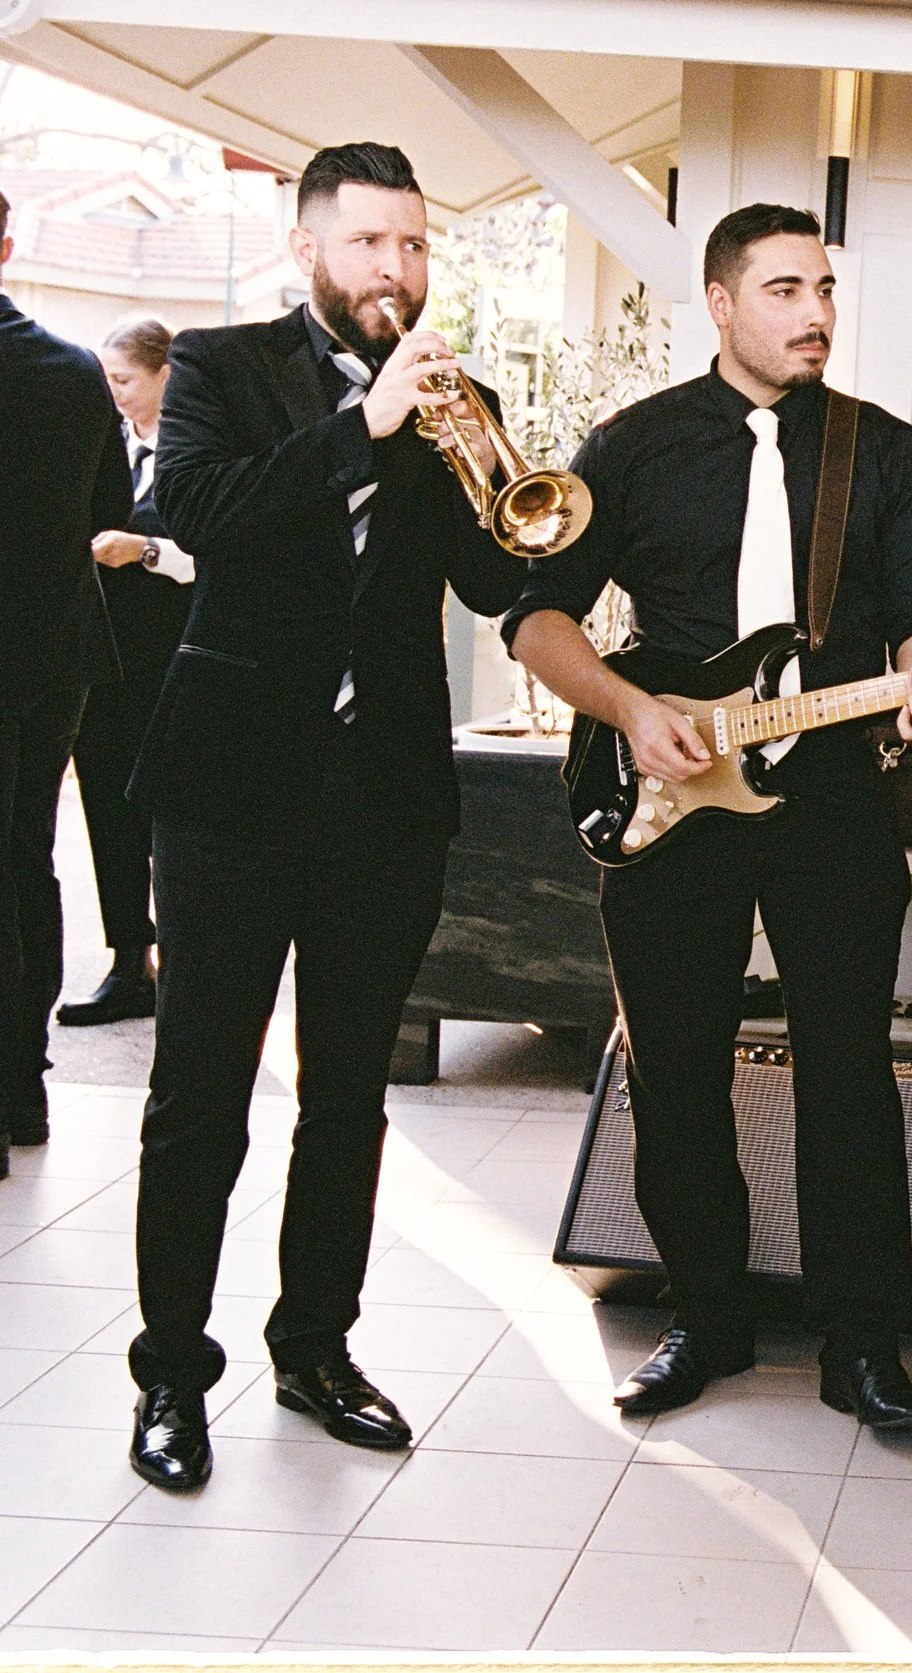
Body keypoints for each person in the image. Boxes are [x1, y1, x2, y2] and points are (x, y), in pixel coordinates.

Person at [508, 203, 912, 1434]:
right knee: (673, 1071)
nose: (814, 312)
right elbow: (538, 617)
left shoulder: (884, 453)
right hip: (667, 789)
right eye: (782, 290)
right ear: (720, 303)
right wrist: (627, 706)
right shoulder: (635, 445)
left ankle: (859, 1337)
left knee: (848, 1069)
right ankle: (704, 1316)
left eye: (821, 288)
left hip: (829, 792)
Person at [127, 143, 523, 1491]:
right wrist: (362, 427)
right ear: (310, 250)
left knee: (349, 1097)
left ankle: (316, 1346)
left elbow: (487, 577)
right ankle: (172, 1375)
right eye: (371, 246)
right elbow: (200, 512)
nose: (397, 273)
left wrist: (504, 480)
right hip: (231, 790)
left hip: (386, 798)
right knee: (199, 1101)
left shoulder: (448, 395)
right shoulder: (223, 366)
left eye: (415, 247)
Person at [0, 189, 133, 1164]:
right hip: (57, 649)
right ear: (9, 241)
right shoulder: (75, 367)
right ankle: (25, 1081)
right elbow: (109, 507)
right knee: (27, 855)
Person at [60, 318, 197, 1029]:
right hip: (107, 663)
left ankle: (183, 959)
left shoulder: (196, 447)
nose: (112, 395)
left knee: (168, 818)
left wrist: (143, 549)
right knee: (108, 815)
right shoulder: (104, 448)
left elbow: (211, 556)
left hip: (173, 662)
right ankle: (127, 960)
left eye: (123, 381)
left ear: (165, 373)